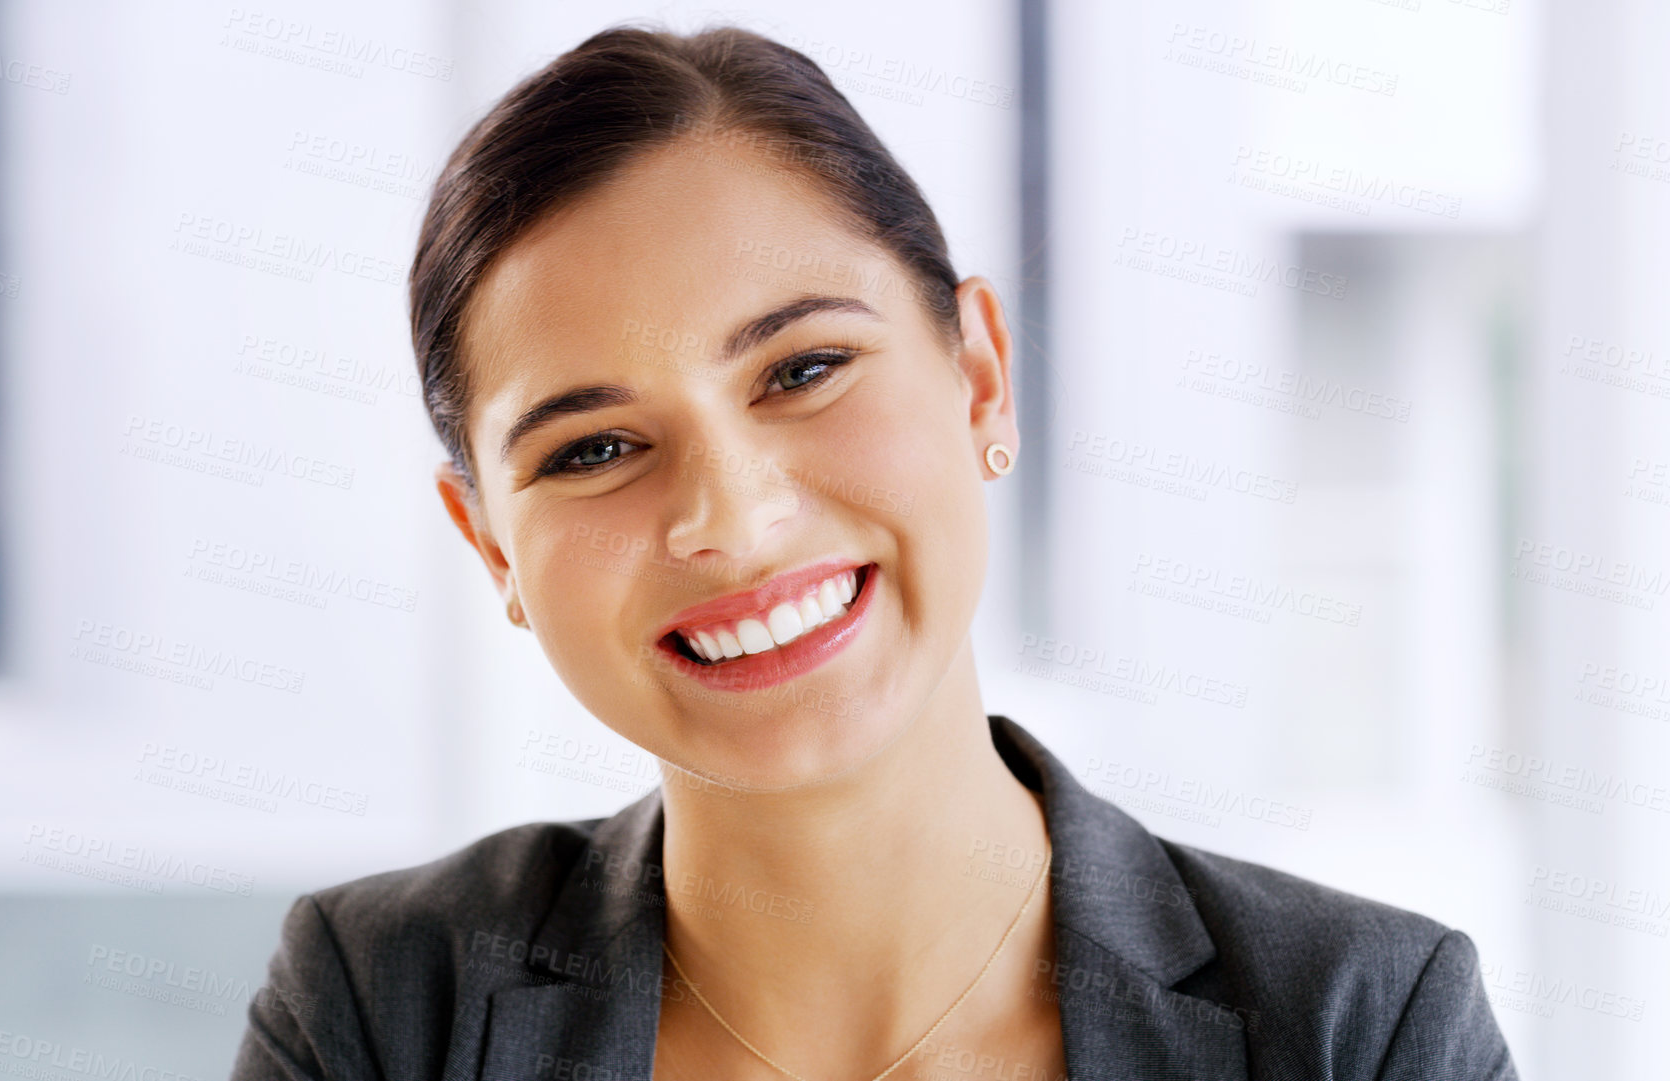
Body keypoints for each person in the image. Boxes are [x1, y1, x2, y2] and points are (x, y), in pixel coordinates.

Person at [230, 24, 1517, 1080]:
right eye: (592, 450)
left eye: (803, 370)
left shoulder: (1360, 1026)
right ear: (490, 545)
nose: (729, 521)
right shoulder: (385, 1009)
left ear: (980, 377)